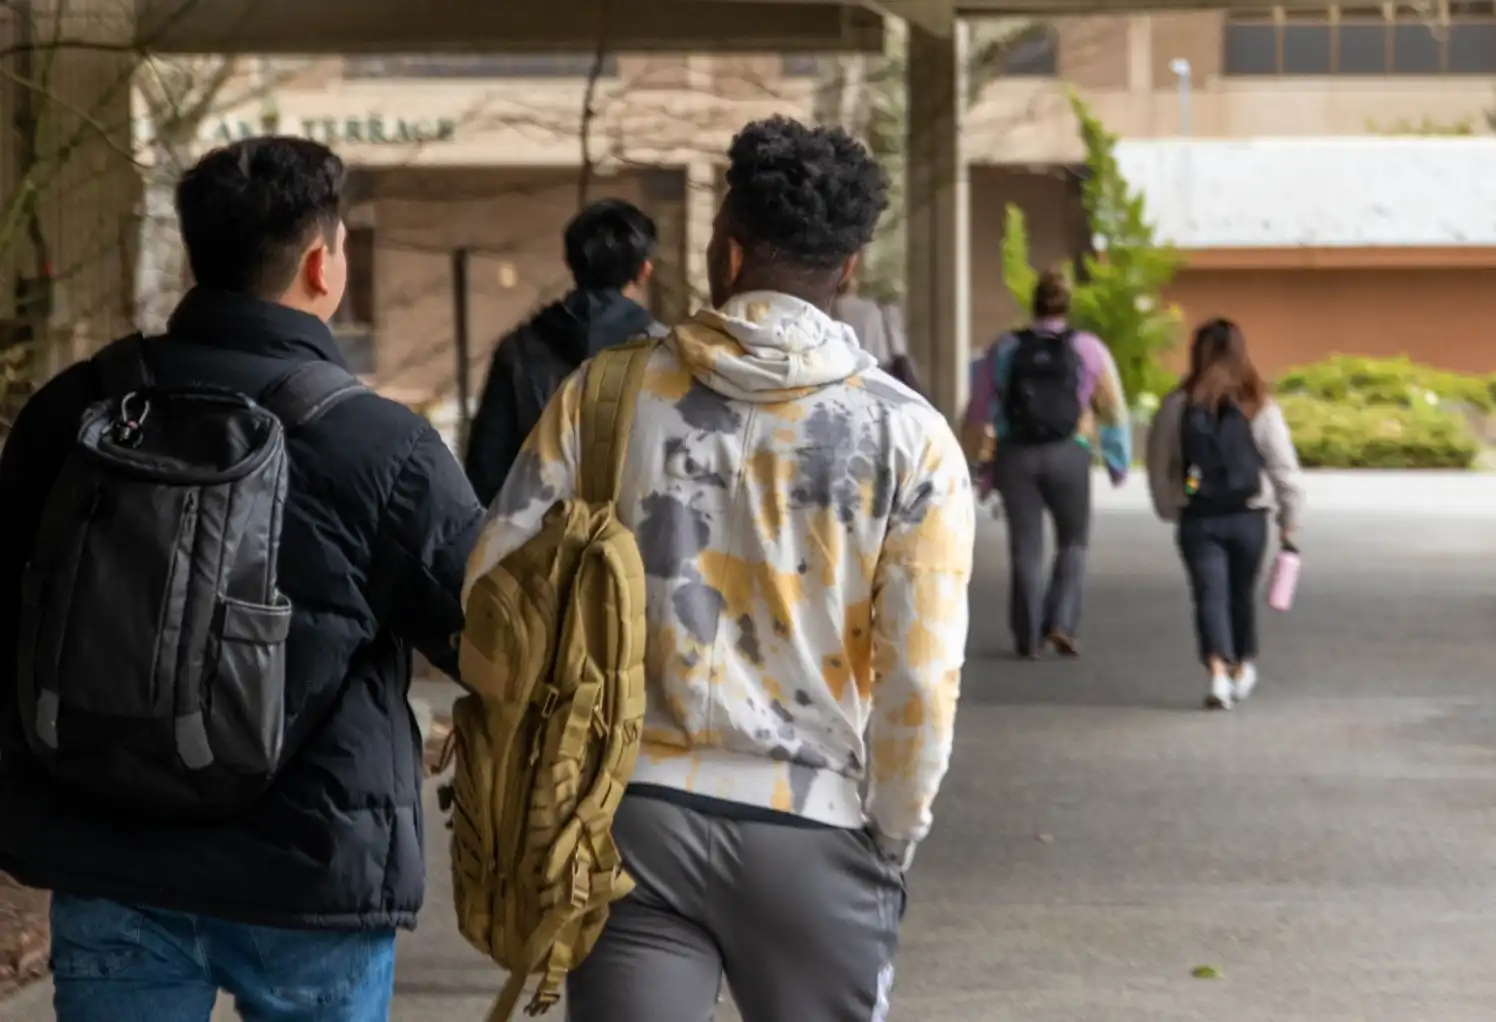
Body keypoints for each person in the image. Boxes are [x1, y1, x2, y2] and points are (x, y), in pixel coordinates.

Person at [464, 115, 975, 1022]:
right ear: (849, 269)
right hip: (813, 824)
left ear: (727, 252)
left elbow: (493, 587)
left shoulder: (604, 394)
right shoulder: (911, 437)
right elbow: (920, 679)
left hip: (629, 820)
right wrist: (891, 834)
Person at [0, 137, 483, 1021]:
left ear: (198, 254)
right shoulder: (381, 445)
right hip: (308, 870)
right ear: (320, 263)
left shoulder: (73, 410)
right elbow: (485, 633)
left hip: (106, 850)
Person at [965, 269, 1130, 660]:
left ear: (1034, 304)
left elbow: (978, 410)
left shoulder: (1005, 347)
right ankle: (1061, 623)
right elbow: (1113, 408)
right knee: (1073, 542)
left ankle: (1028, 638)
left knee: (1026, 547)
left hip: (1016, 455)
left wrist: (978, 465)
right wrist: (1116, 461)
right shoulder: (1088, 348)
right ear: (1067, 305)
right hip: (1069, 453)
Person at [464, 198, 670, 507]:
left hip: (539, 530)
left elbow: (485, 473)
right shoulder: (667, 354)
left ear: (571, 262)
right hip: (639, 531)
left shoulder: (519, 351)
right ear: (644, 270)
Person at [1145, 317, 1305, 710]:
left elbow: (1159, 463)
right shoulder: (1257, 404)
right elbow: (1285, 469)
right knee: (1240, 594)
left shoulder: (1177, 404)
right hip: (1248, 516)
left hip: (1198, 516)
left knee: (1208, 594)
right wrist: (1289, 523)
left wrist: (1170, 507)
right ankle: (1243, 664)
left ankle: (1217, 672)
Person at [833, 276, 924, 394]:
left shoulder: (827, 310)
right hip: (874, 374)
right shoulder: (873, 309)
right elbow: (889, 351)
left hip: (839, 374)